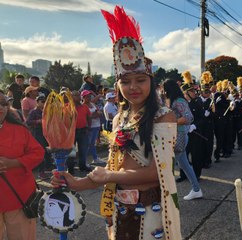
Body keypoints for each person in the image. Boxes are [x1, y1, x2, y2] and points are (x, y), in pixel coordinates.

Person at [52, 6, 181, 239]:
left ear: (151, 82)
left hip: (151, 217)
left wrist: (109, 176)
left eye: (140, 80)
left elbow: (156, 172)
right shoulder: (119, 117)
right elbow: (114, 167)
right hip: (120, 211)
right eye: (126, 81)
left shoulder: (164, 116)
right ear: (117, 86)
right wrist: (76, 183)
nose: (133, 87)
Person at [0, 90, 44, 240]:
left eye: (4, 103)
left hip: (18, 196)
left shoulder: (19, 129)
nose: (1, 107)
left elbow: (38, 153)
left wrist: (14, 163)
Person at [162, 79, 203, 200]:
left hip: (179, 136)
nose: (163, 92)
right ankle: (196, 189)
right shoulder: (175, 100)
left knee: (169, 167)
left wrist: (170, 121)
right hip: (178, 135)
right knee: (184, 165)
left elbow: (188, 117)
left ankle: (167, 196)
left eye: (164, 89)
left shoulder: (178, 101)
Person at [181, 71, 205, 180]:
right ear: (186, 93)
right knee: (183, 155)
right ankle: (183, 175)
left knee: (196, 155)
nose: (194, 92)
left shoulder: (197, 103)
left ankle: (196, 175)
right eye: (191, 91)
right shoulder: (181, 104)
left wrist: (194, 126)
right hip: (184, 133)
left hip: (195, 133)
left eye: (194, 90)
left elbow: (202, 118)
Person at [26, 95, 54, 178]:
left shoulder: (47, 111)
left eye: (45, 101)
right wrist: (38, 121)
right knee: (41, 151)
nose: (44, 103)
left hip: (47, 132)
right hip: (38, 133)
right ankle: (41, 171)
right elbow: (28, 122)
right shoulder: (33, 112)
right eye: (42, 101)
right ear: (37, 102)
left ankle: (48, 167)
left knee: (48, 150)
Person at [70, 90, 92, 173]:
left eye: (79, 95)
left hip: (83, 130)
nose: (79, 97)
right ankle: (70, 168)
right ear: (71, 97)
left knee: (83, 150)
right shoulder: (68, 107)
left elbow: (89, 117)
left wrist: (88, 127)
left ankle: (82, 166)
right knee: (71, 151)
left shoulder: (84, 107)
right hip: (72, 132)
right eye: (76, 95)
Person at [81, 90, 102, 164]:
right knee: (87, 144)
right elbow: (86, 117)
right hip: (89, 127)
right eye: (87, 96)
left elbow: (99, 112)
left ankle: (95, 158)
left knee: (92, 144)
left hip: (96, 125)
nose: (89, 98)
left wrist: (93, 115)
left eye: (89, 96)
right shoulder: (83, 106)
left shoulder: (92, 104)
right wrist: (93, 115)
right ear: (83, 97)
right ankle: (84, 160)